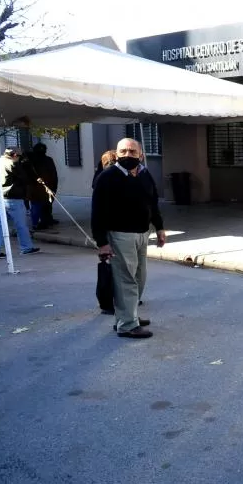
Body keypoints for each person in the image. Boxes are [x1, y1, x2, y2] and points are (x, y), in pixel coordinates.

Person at [92, 138, 165, 339]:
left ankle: (127, 315)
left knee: (139, 278)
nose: (127, 155)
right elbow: (97, 212)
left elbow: (153, 202)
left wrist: (159, 227)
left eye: (132, 151)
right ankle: (127, 324)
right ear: (117, 153)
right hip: (120, 235)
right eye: (123, 151)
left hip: (143, 234)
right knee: (126, 280)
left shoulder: (144, 174)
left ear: (140, 154)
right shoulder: (107, 177)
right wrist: (102, 243)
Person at [0, 149, 41, 259]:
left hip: (1, 197)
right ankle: (26, 247)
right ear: (15, 155)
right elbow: (25, 178)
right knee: (21, 225)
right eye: (19, 157)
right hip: (14, 198)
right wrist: (25, 166)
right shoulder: (12, 164)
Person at [27, 143, 59, 229]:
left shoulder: (46, 160)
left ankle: (44, 221)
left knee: (44, 205)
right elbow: (54, 174)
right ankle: (37, 223)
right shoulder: (32, 161)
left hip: (43, 188)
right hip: (38, 188)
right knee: (38, 206)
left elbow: (53, 174)